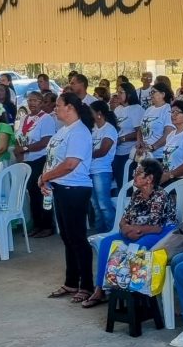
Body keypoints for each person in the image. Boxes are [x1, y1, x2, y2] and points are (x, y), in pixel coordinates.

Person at [85, 158, 179, 308]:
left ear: (149, 179)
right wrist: (125, 229)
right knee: (106, 243)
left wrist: (134, 230)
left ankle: (132, 292)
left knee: (138, 246)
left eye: (139, 173)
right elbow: (124, 219)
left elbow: (156, 227)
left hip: (160, 233)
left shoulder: (159, 196)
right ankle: (100, 289)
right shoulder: (137, 195)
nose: (134, 176)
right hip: (136, 230)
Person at [42, 93, 96, 302]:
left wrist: (46, 176)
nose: (55, 109)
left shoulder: (80, 132)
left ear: (70, 107)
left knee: (77, 237)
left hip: (75, 189)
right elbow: (54, 159)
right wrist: (44, 179)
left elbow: (70, 163)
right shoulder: (63, 131)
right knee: (66, 237)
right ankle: (71, 281)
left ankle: (87, 285)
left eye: (58, 105)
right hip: (61, 187)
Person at [16, 91, 57, 239]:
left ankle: (47, 225)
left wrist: (26, 148)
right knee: (32, 193)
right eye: (29, 100)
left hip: (40, 159)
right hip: (27, 161)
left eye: (35, 100)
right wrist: (20, 151)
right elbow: (20, 137)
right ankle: (37, 224)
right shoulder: (25, 118)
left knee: (41, 192)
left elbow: (46, 141)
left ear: (41, 102)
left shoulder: (46, 119)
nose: (31, 103)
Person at [89, 100, 119, 232]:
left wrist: (84, 154)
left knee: (104, 205)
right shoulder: (92, 128)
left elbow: (103, 151)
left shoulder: (109, 129)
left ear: (99, 114)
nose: (89, 115)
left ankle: (111, 233)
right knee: (96, 206)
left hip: (102, 171)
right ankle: (100, 234)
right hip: (90, 170)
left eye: (92, 112)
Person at [111, 83, 143, 188]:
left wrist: (123, 139)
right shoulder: (118, 109)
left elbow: (140, 132)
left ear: (129, 94)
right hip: (117, 151)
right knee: (119, 182)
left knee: (127, 183)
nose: (118, 95)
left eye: (121, 92)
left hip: (129, 152)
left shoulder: (136, 109)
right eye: (117, 92)